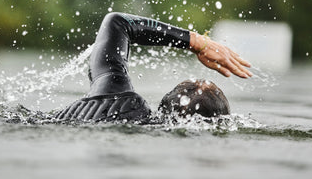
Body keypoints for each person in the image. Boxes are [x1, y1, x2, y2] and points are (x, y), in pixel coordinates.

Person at [55, 12, 252, 123]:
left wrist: (197, 42)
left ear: (165, 106)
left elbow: (117, 22)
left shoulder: (115, 94)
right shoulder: (136, 126)